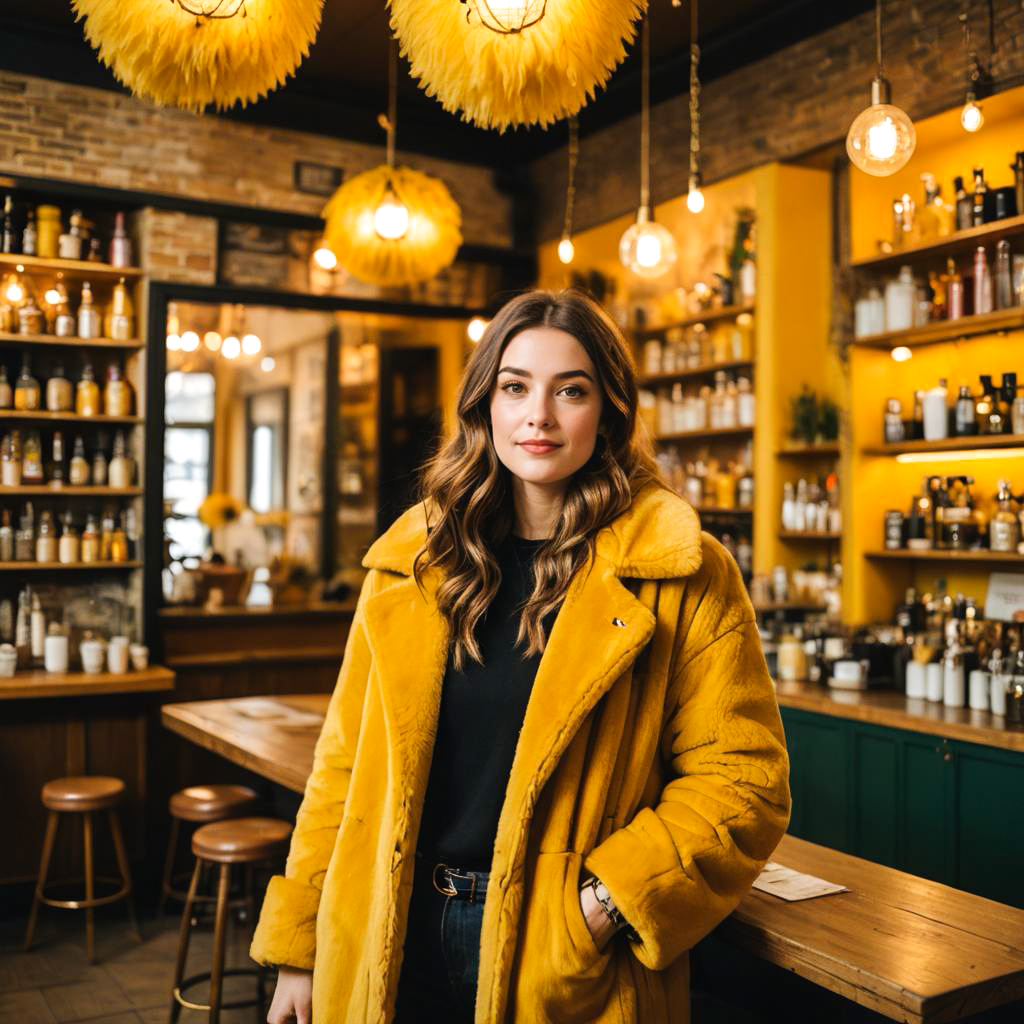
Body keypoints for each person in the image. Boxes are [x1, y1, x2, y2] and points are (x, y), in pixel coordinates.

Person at [252, 289, 791, 1024]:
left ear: (607, 414)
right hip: (387, 926)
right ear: (486, 407)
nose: (539, 414)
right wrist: (302, 944)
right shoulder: (413, 562)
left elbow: (744, 783)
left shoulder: (680, 570)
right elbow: (343, 766)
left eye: (571, 390)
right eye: (515, 387)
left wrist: (604, 904)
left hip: (562, 953)